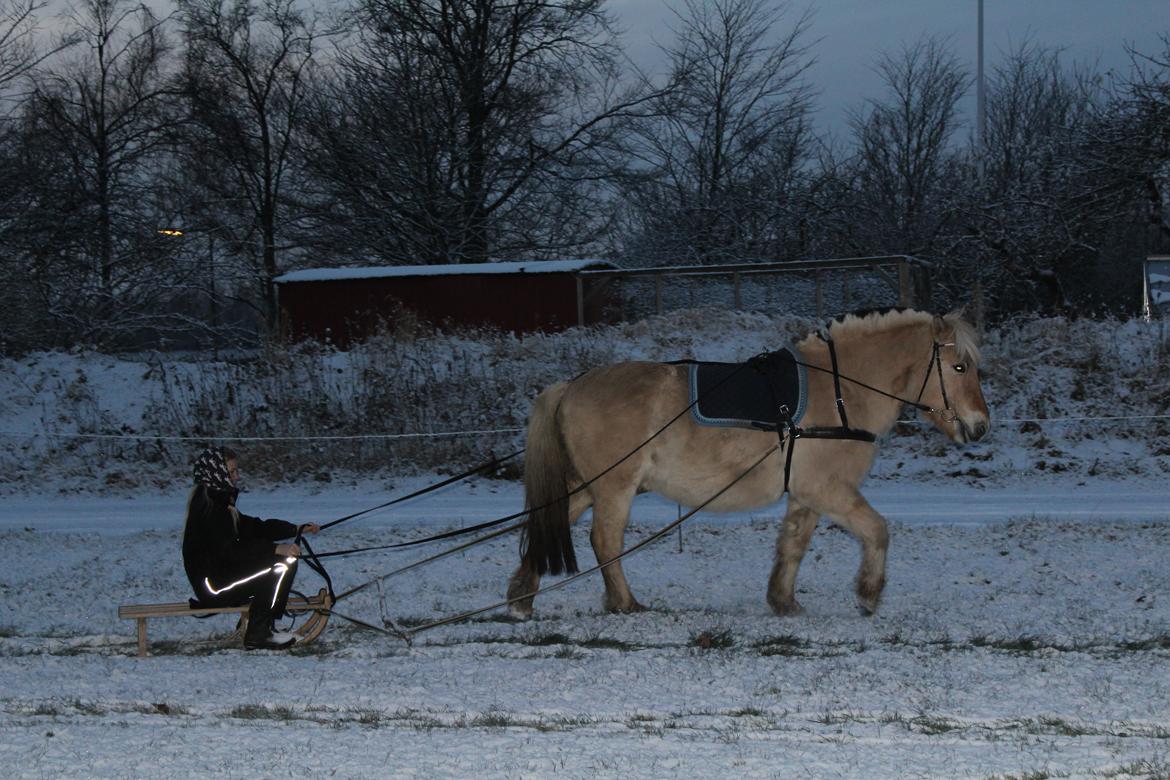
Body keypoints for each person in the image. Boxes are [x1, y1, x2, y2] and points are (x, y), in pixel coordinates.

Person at [182, 447, 321, 650]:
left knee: (281, 562)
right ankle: (259, 632)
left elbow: (253, 527)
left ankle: (260, 625)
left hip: (219, 577)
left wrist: (294, 528)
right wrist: (275, 550)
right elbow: (230, 551)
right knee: (279, 565)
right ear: (217, 474)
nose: (237, 477)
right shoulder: (211, 510)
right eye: (232, 472)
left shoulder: (218, 501)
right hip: (214, 586)